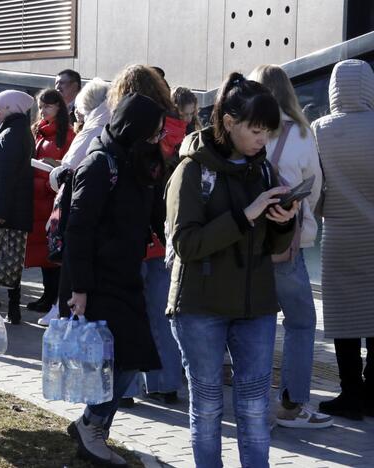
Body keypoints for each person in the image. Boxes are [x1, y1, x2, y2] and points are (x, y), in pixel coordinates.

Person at [166, 72, 297, 467]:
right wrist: (246, 215)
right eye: (257, 130)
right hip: (199, 308)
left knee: (256, 410)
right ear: (228, 122)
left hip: (255, 306)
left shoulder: (263, 171)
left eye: (268, 133)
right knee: (207, 410)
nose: (263, 141)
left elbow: (273, 247)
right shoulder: (191, 171)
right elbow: (185, 245)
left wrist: (283, 220)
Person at [65, 93, 166, 467]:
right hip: (98, 280)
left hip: (127, 275)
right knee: (125, 355)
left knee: (132, 355)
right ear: (135, 129)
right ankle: (93, 427)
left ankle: (91, 423)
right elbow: (79, 230)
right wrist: (80, 290)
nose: (158, 141)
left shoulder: (138, 161)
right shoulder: (99, 163)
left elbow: (155, 215)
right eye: (153, 134)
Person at [249, 64, 331, 429]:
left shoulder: (242, 129)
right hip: (285, 245)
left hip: (245, 240)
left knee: (254, 321)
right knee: (300, 322)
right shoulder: (299, 132)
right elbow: (313, 187)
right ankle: (292, 405)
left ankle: (251, 403)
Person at [106, 65, 185, 407]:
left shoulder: (127, 127)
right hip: (167, 228)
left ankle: (124, 388)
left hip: (130, 230)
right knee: (161, 311)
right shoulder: (179, 127)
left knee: (125, 312)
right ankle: (165, 382)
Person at [311, 59, 374, 421]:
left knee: (346, 323)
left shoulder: (320, 129)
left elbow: (316, 190)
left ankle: (350, 393)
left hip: (338, 238)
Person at [43, 78, 111, 326]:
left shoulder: (91, 131)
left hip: (79, 214)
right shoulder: (113, 126)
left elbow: (66, 173)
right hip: (104, 226)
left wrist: (54, 173)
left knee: (72, 290)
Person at [0, 90, 35, 323]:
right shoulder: (18, 130)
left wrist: (1, 211)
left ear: (11, 108)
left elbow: (8, 175)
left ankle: (2, 308)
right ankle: (7, 308)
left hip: (6, 208)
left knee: (0, 257)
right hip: (14, 207)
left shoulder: (11, 134)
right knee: (7, 259)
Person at [26, 89, 74, 314]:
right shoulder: (38, 130)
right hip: (36, 200)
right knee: (42, 254)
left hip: (51, 198)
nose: (43, 110)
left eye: (48, 106)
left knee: (51, 252)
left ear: (59, 107)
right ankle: (48, 295)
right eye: (41, 106)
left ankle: (52, 297)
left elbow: (66, 168)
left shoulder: (67, 134)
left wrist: (45, 183)